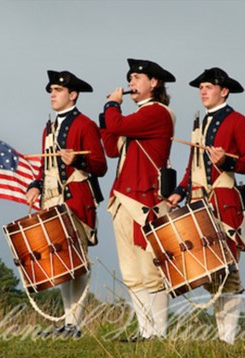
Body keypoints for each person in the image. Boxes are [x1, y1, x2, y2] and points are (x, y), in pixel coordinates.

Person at [168, 67, 245, 344]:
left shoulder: (239, 122)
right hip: (197, 205)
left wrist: (228, 162)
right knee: (210, 274)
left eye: (208, 86)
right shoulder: (199, 124)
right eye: (201, 87)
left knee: (228, 273)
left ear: (224, 91)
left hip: (223, 205)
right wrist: (178, 192)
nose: (203, 91)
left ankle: (228, 340)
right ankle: (223, 335)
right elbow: (192, 167)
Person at [26, 70, 107, 338]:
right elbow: (43, 167)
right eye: (51, 90)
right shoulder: (47, 128)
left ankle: (75, 324)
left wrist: (78, 161)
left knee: (77, 262)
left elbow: (100, 166)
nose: (52, 94)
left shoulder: (85, 125)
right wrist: (34, 186)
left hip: (75, 201)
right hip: (50, 201)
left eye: (58, 91)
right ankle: (67, 322)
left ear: (72, 95)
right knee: (61, 264)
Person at [99, 58, 176, 341]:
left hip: (145, 201)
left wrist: (111, 106)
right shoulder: (134, 120)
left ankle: (158, 334)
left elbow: (116, 123)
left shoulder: (156, 112)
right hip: (123, 198)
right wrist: (108, 117)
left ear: (153, 83)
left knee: (151, 271)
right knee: (132, 273)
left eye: (136, 79)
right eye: (130, 79)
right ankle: (145, 332)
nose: (130, 83)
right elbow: (110, 147)